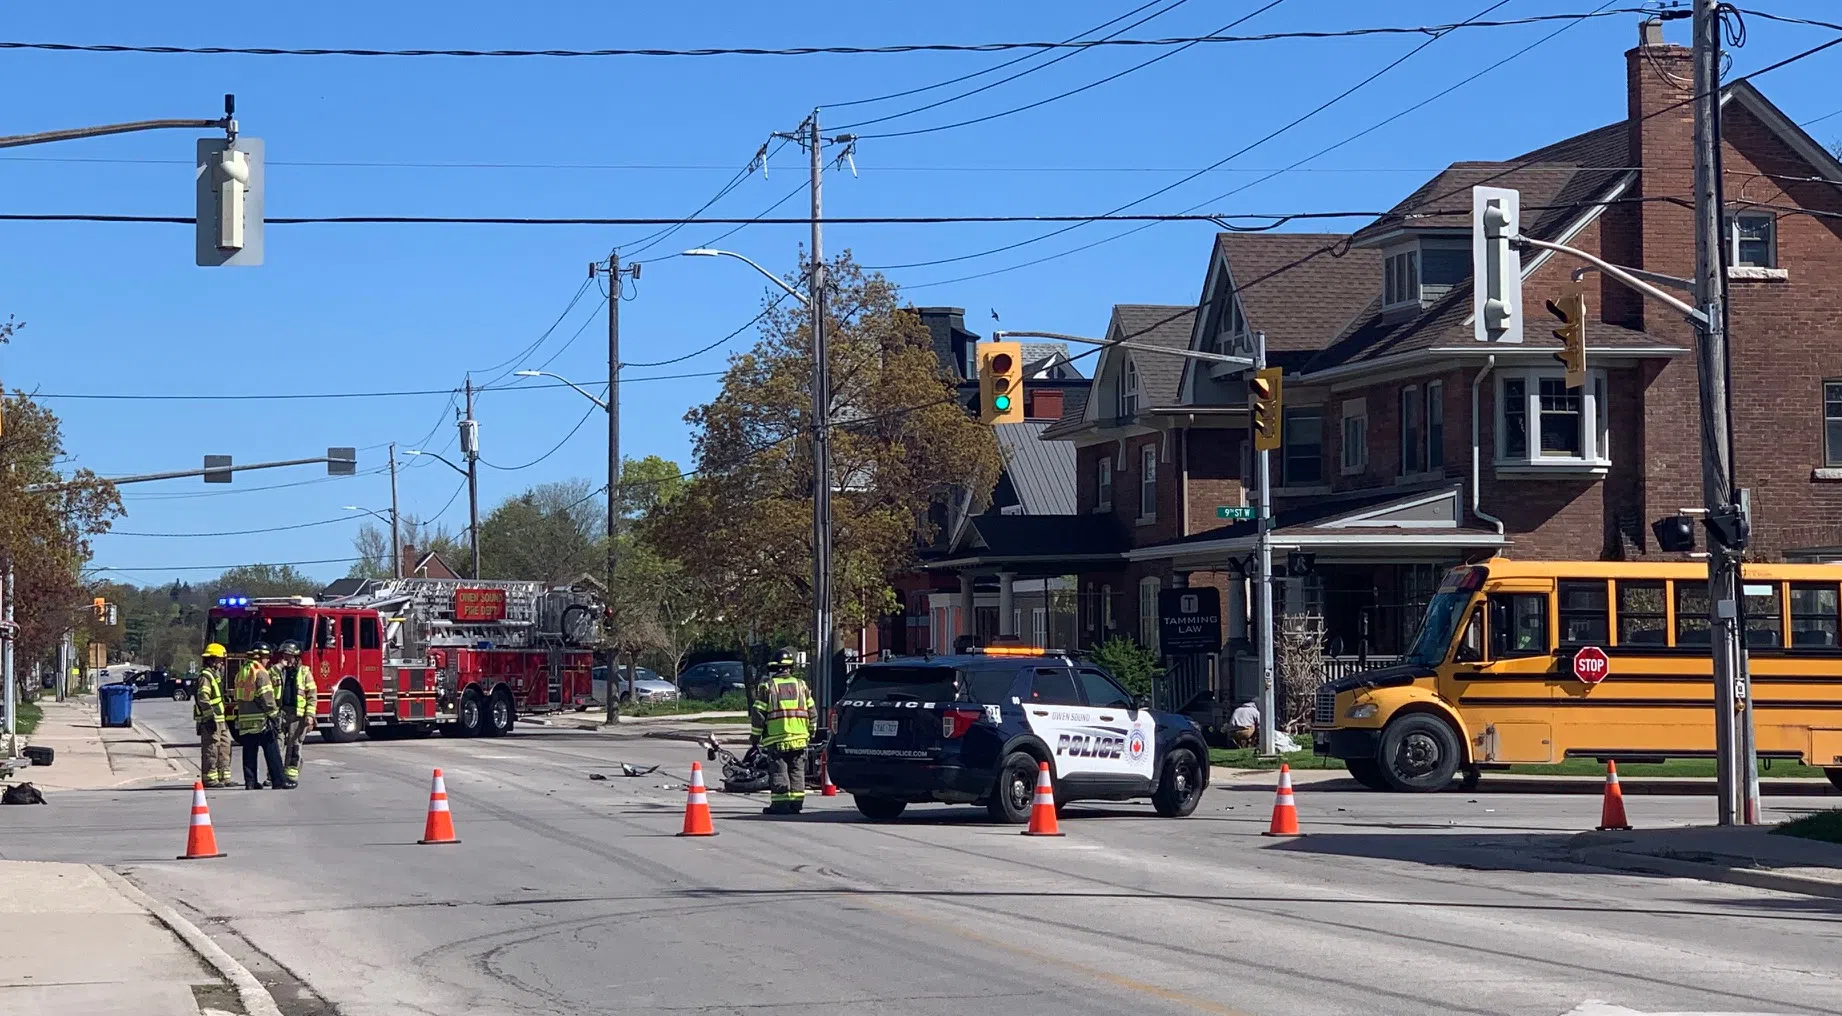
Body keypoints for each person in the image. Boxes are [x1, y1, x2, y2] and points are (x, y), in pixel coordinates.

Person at [750, 648, 814, 816]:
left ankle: (780, 805)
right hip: (800, 739)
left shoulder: (768, 687)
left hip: (778, 740)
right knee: (797, 772)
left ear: (774, 668)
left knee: (779, 771)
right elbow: (811, 711)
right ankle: (796, 804)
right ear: (789, 667)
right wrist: (811, 731)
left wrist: (755, 737)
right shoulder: (801, 685)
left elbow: (758, 715)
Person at [231, 642, 291, 790]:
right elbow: (266, 697)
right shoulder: (261, 673)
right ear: (259, 657)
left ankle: (250, 782)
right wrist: (275, 715)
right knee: (272, 750)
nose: (267, 660)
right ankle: (279, 781)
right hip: (261, 720)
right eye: (265, 657)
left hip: (245, 720)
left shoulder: (242, 672)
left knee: (249, 751)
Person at [272, 641, 318, 784]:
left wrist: (310, 715)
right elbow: (267, 677)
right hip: (281, 713)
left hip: (297, 715)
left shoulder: (304, 672)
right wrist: (280, 666)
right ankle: (274, 775)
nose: (286, 658)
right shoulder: (278, 670)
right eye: (284, 655)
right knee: (277, 745)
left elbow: (312, 695)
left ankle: (291, 774)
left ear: (296, 657)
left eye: (289, 656)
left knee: (295, 745)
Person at [194, 643, 233, 789]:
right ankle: (210, 778)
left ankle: (224, 777)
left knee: (225, 746)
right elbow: (203, 698)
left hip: (220, 720)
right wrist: (209, 717)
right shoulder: (206, 677)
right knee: (211, 748)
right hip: (212, 720)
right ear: (211, 660)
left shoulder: (215, 676)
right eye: (219, 660)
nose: (221, 663)